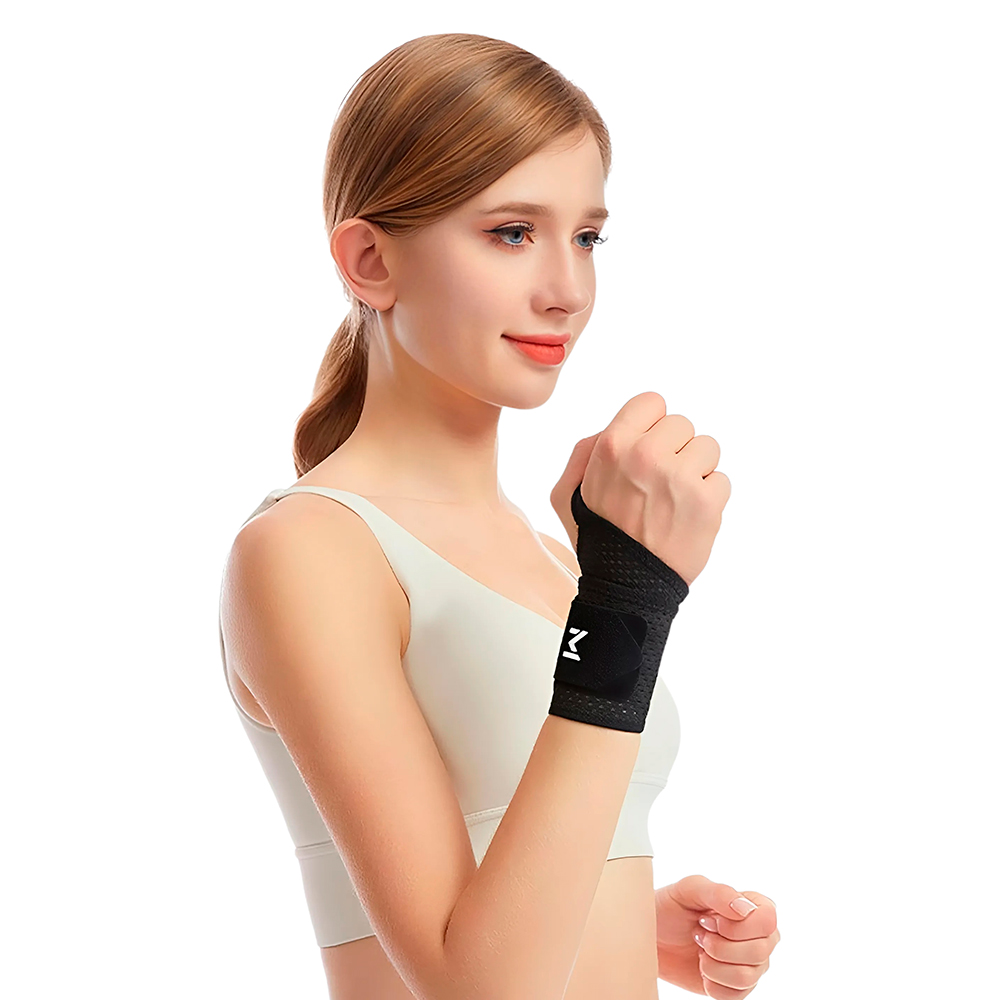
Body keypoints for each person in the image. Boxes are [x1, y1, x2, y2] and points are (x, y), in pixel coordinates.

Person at [217, 32, 779, 1000]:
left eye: (587, 237)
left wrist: (623, 921)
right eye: (512, 232)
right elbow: (472, 984)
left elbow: (502, 890)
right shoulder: (309, 551)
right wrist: (629, 601)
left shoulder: (550, 552)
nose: (567, 290)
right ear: (369, 259)